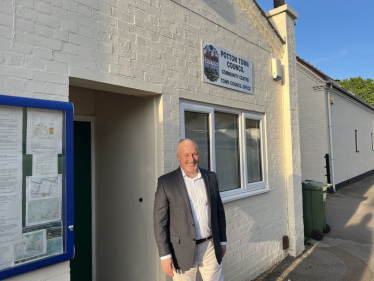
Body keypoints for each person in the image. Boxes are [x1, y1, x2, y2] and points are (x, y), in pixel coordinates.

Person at [153, 138, 227, 281]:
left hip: (210, 247)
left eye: (195, 154)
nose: (191, 159)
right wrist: (165, 256)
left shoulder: (211, 177)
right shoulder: (166, 182)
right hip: (181, 252)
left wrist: (222, 241)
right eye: (186, 155)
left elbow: (219, 212)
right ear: (178, 157)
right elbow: (159, 223)